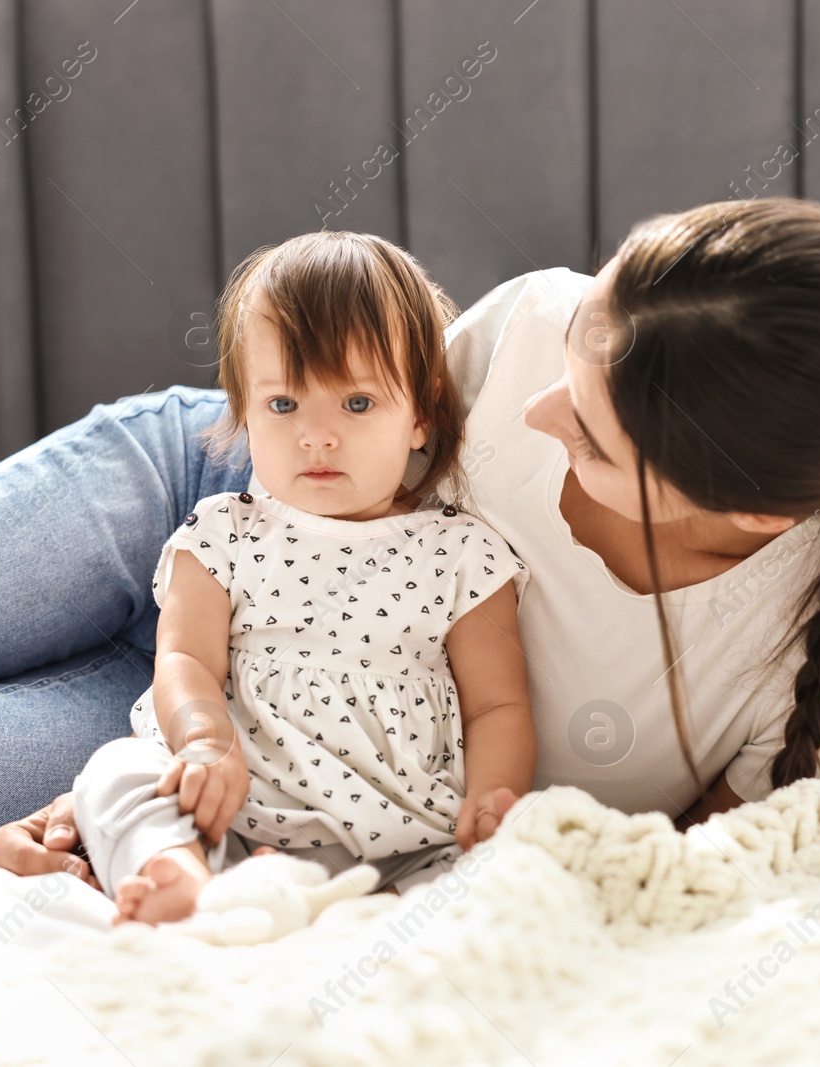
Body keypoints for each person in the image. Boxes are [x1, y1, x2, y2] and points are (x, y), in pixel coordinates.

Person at [0, 199, 820, 890]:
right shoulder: (539, 325)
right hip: (207, 497)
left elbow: (703, 874)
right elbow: (346, 428)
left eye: (585, 435)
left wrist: (130, 787)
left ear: (752, 513)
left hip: (272, 740)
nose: (531, 413)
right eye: (573, 350)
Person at [70, 231, 531, 925]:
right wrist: (204, 740)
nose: (316, 435)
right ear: (245, 411)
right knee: (114, 771)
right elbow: (185, 657)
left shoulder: (462, 552)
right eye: (284, 405)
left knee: (495, 876)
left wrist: (493, 800)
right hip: (234, 811)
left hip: (401, 837)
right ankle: (180, 872)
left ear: (421, 415)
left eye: (356, 403)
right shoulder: (222, 533)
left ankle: (376, 912)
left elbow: (498, 705)